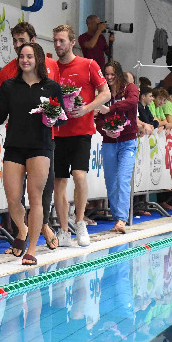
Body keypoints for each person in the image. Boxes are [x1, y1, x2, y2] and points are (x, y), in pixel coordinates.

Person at [0, 42, 63, 265]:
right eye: (22, 57)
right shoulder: (9, 86)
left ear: (38, 60)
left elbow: (61, 117)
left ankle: (32, 249)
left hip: (40, 147)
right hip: (15, 146)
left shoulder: (51, 87)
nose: (25, 60)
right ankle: (23, 229)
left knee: (35, 198)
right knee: (12, 199)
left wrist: (53, 119)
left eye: (29, 56)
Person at [0, 22, 59, 245]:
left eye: (21, 41)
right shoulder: (6, 75)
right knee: (14, 195)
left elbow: (58, 107)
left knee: (41, 193)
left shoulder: (52, 69)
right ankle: (22, 232)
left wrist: (54, 117)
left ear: (33, 41)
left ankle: (40, 232)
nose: (17, 46)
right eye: (14, 41)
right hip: (16, 140)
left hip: (42, 142)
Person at [50, 24, 111, 248]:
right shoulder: (51, 67)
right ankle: (64, 230)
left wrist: (86, 109)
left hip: (81, 131)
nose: (58, 45)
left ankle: (80, 223)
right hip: (57, 132)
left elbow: (106, 93)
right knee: (59, 181)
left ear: (72, 42)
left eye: (62, 41)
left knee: (79, 176)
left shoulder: (89, 64)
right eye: (55, 41)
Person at [94, 60, 139, 235]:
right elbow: (98, 118)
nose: (109, 77)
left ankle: (121, 219)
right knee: (111, 181)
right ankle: (116, 218)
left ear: (119, 74)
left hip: (128, 141)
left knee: (123, 178)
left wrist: (111, 108)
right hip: (109, 142)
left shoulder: (129, 88)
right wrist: (105, 130)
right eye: (107, 74)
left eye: (113, 74)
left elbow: (132, 102)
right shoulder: (102, 93)